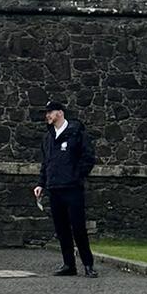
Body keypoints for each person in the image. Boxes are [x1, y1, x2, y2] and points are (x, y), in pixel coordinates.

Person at [33, 98, 98, 278]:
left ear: (60, 113)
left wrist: (77, 175)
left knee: (78, 228)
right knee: (61, 229)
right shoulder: (48, 138)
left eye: (50, 112)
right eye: (47, 113)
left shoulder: (76, 133)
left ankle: (88, 264)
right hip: (55, 188)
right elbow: (46, 163)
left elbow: (88, 157)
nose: (47, 116)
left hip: (72, 188)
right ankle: (69, 264)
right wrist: (41, 183)